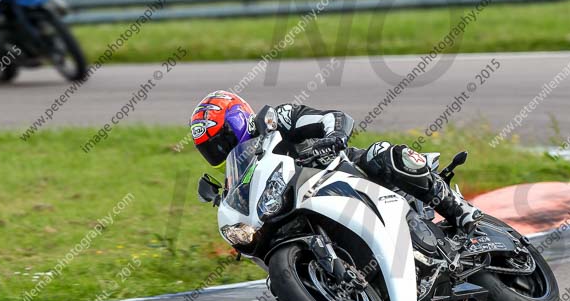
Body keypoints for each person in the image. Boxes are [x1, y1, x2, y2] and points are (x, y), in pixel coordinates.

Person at [190, 90, 483, 232]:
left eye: (224, 138)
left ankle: (459, 210)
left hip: (344, 171)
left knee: (383, 154)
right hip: (302, 210)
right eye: (211, 149)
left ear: (239, 119)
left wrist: (334, 136)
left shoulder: (278, 119)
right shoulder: (239, 178)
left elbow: (333, 117)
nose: (221, 150)